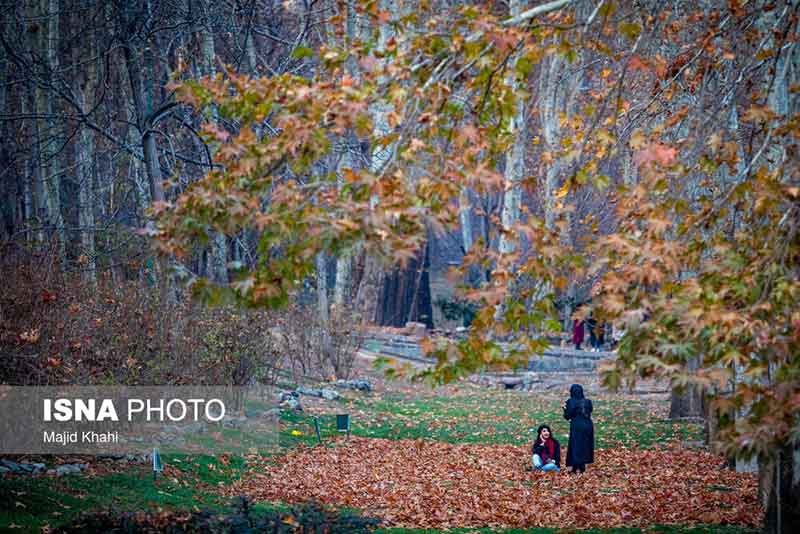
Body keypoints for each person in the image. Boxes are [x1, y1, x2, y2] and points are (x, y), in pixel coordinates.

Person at [563, 384, 594, 474]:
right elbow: (589, 411)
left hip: (577, 425)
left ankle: (575, 467)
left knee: (575, 445)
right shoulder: (588, 401)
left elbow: (568, 416)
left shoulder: (570, 401)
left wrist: (564, 410)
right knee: (585, 445)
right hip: (588, 425)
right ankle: (582, 467)